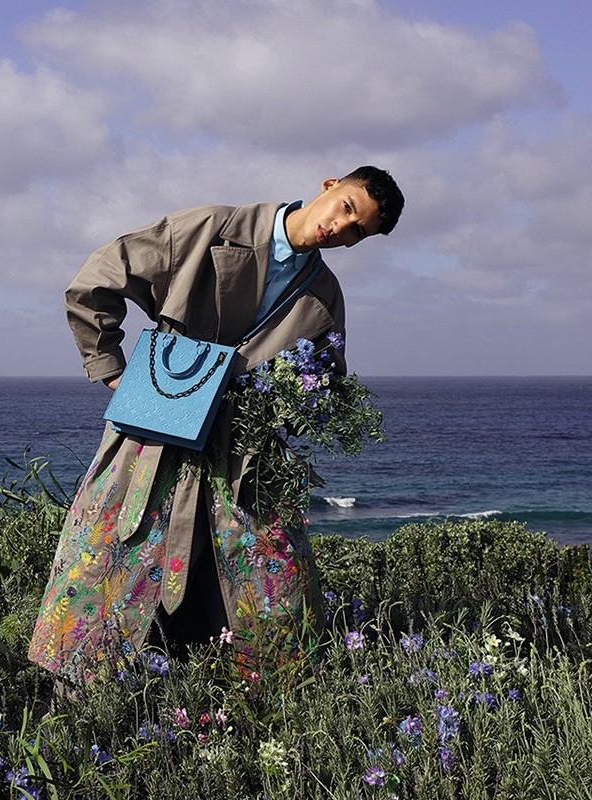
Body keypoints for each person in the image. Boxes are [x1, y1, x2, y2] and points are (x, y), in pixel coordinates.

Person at [28, 167, 404, 683]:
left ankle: (271, 700)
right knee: (110, 549)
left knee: (273, 576)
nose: (340, 229)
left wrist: (291, 406)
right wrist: (110, 369)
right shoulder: (209, 227)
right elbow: (97, 279)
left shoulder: (323, 296)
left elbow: (325, 384)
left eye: (356, 232)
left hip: (244, 451)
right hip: (155, 425)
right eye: (347, 209)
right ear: (329, 186)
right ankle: (76, 692)